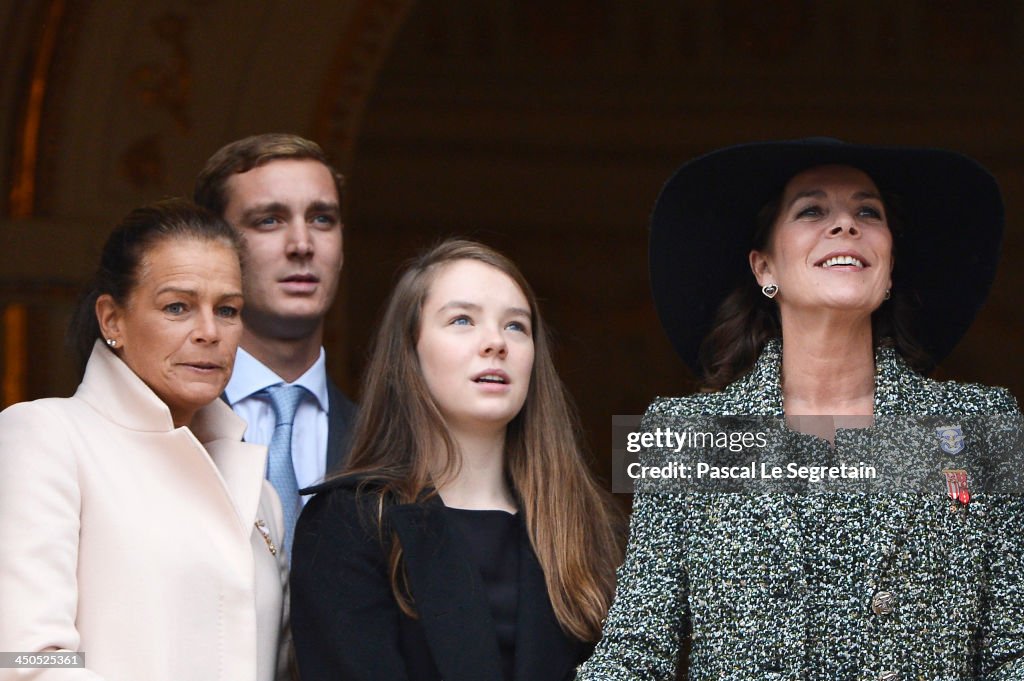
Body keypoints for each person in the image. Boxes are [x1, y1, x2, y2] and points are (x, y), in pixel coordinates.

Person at [577, 138, 1024, 679]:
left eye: (868, 211)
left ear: (888, 269)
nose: (845, 225)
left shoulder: (977, 427)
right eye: (813, 210)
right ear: (765, 267)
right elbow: (637, 652)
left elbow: (1011, 652)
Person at [290, 239, 624, 681]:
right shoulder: (348, 522)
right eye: (462, 320)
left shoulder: (589, 525)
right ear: (410, 351)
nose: (495, 343)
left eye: (516, 327)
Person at [0, 199, 289, 681]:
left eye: (228, 309)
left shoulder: (259, 491)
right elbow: (23, 659)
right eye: (178, 306)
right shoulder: (46, 437)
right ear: (112, 320)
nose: (209, 332)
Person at [194, 133, 357, 555]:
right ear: (215, 246)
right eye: (269, 220)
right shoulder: (167, 428)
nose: (302, 245)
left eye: (322, 219)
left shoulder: (391, 442)